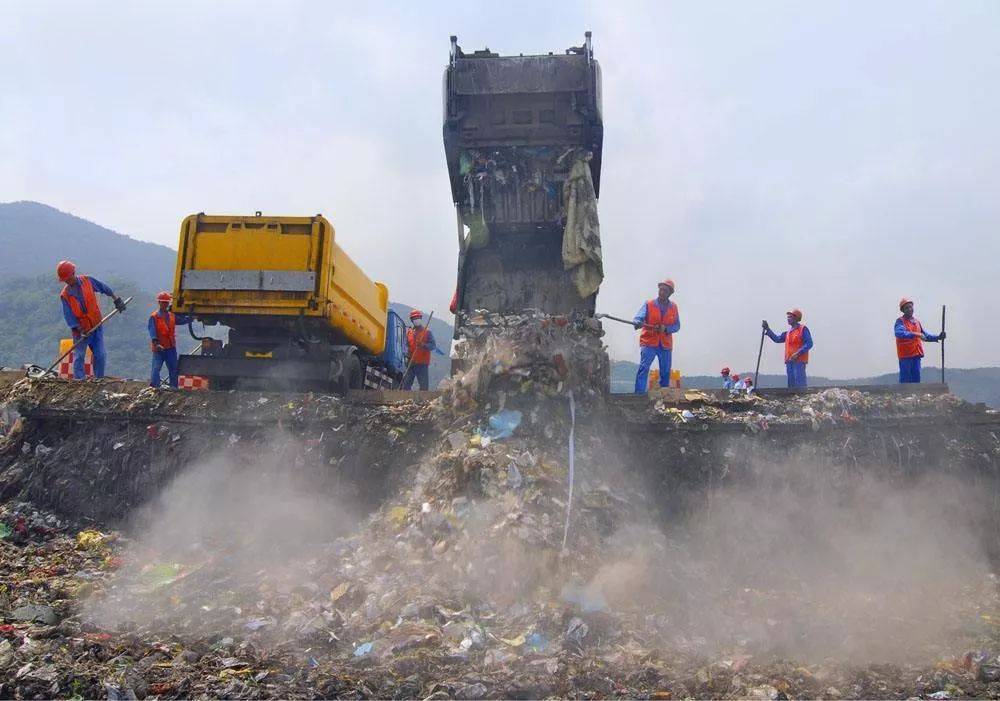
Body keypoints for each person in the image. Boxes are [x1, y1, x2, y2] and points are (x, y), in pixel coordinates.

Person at [57, 260, 126, 379]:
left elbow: (104, 288)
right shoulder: (65, 295)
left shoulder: (88, 281)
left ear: (73, 273)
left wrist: (116, 299)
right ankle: (79, 381)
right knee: (79, 356)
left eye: (68, 278)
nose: (67, 281)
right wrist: (80, 329)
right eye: (65, 280)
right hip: (80, 331)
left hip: (96, 326)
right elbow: (69, 316)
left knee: (100, 355)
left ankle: (98, 380)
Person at [633, 279, 681, 393]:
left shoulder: (673, 307)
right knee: (644, 368)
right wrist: (637, 322)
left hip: (665, 345)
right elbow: (638, 317)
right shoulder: (649, 304)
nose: (662, 292)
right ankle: (639, 394)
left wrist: (666, 329)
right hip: (649, 342)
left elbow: (677, 325)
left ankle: (663, 393)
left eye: (665, 290)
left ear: (670, 293)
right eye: (661, 289)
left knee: (665, 371)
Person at [895, 298, 945, 383]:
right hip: (906, 355)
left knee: (916, 379)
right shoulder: (900, 321)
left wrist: (938, 337)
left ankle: (915, 396)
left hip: (916, 354)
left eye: (910, 307)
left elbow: (925, 335)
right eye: (906, 308)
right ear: (903, 310)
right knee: (905, 380)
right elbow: (899, 333)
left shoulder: (916, 322)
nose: (909, 309)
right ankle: (904, 395)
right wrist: (916, 334)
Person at [148, 292, 193, 388]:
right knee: (156, 368)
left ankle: (173, 388)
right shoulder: (154, 317)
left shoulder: (172, 316)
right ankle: (155, 387)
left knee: (173, 369)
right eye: (163, 302)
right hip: (159, 348)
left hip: (170, 348)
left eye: (166, 303)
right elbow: (152, 332)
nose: (165, 304)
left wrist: (192, 317)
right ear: (159, 302)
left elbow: (182, 320)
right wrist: (156, 344)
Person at [762, 308, 813, 388]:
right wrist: (768, 329)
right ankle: (792, 399)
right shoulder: (788, 332)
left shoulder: (802, 329)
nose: (788, 319)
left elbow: (809, 343)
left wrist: (797, 353)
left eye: (790, 317)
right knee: (791, 383)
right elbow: (777, 339)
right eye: (788, 317)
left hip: (799, 360)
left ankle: (802, 396)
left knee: (799, 382)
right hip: (789, 360)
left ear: (796, 318)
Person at [404, 309, 436, 390]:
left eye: (418, 318)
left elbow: (433, 345)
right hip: (411, 363)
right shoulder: (409, 333)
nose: (416, 320)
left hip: (422, 364)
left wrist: (423, 345)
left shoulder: (427, 332)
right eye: (414, 318)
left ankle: (423, 402)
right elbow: (405, 346)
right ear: (412, 320)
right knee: (406, 385)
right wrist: (406, 356)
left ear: (421, 318)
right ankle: (404, 401)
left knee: (423, 386)